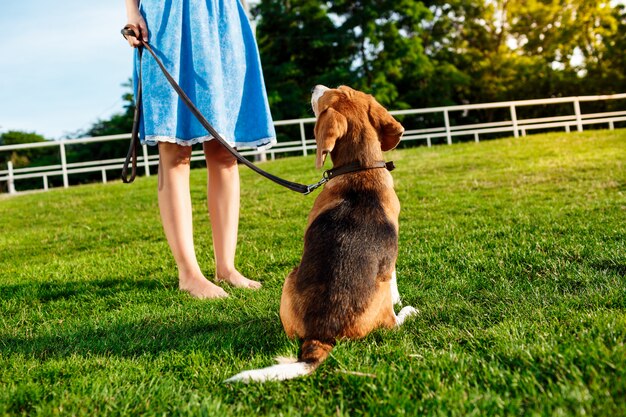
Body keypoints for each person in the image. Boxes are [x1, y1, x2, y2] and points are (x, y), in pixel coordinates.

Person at [123, 0, 276, 299]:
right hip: (167, 18)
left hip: (223, 17)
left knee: (224, 152)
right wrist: (132, 12)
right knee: (174, 150)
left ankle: (226, 268)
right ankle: (189, 274)